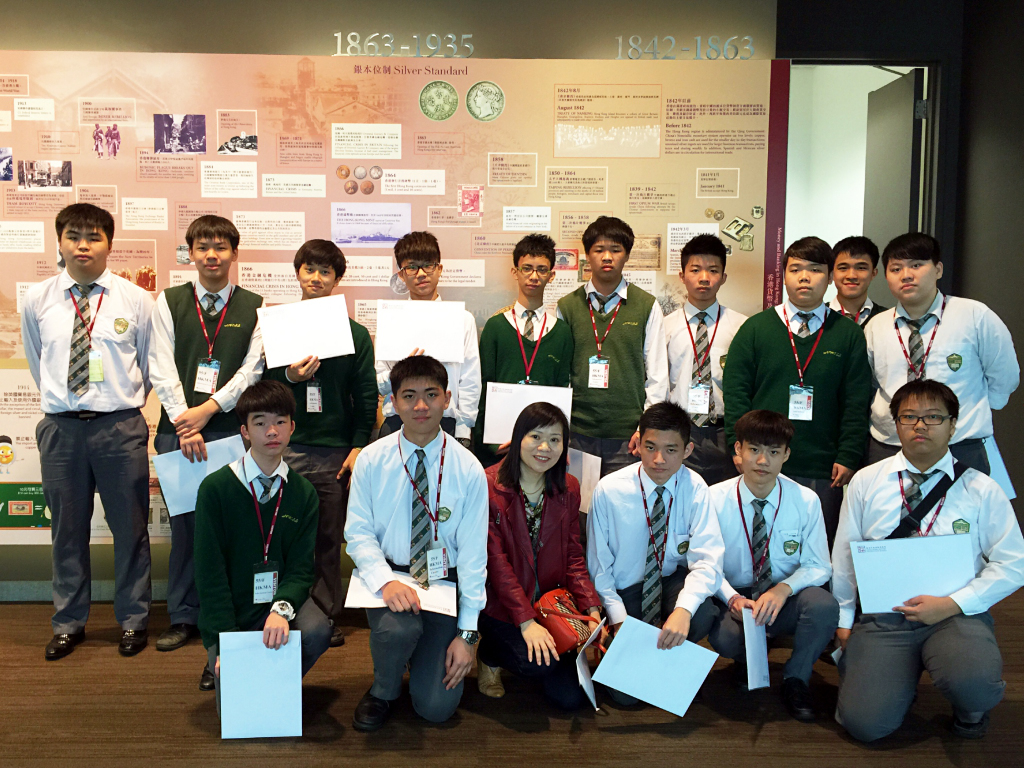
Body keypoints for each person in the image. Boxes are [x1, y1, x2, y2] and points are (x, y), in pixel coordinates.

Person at [832, 379, 1024, 742]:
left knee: (975, 684)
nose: (920, 425)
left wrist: (953, 603)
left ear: (953, 425)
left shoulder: (982, 488)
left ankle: (970, 708)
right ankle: (900, 682)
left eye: (933, 416)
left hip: (955, 614)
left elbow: (1014, 563)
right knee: (864, 724)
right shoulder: (866, 482)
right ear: (896, 424)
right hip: (885, 615)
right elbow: (845, 554)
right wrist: (843, 619)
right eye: (909, 417)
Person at [21, 203, 154, 660]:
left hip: (119, 427)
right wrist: (67, 401)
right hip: (61, 430)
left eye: (94, 236)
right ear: (59, 242)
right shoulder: (38, 299)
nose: (83, 245)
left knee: (130, 528)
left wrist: (117, 402)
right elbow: (38, 361)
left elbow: (146, 366)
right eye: (73, 236)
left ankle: (134, 619)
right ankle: (68, 622)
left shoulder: (135, 299)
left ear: (109, 244)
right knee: (67, 531)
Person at [148, 215, 264, 687]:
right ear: (190, 253)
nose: (211, 254)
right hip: (178, 433)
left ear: (234, 253)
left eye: (220, 246)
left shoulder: (254, 306)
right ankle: (183, 615)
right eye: (202, 246)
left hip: (231, 432)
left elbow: (253, 369)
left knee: (233, 530)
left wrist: (210, 409)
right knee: (185, 530)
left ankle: (229, 613)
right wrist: (185, 419)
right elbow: (160, 363)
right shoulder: (169, 301)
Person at [346, 355, 488, 729]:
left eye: (431, 394)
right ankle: (384, 688)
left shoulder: (468, 467)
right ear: (393, 402)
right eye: (409, 396)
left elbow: (474, 556)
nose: (421, 406)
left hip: (442, 582)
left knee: (437, 708)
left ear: (447, 399)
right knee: (398, 630)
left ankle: (420, 653)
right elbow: (358, 532)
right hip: (391, 574)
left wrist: (468, 634)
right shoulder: (371, 460)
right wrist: (384, 581)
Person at [263, 239, 378, 648]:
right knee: (281, 535)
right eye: (309, 269)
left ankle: (326, 614)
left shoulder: (355, 334)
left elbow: (366, 396)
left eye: (325, 271)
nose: (316, 278)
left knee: (329, 537)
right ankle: (281, 610)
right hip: (285, 448)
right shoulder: (277, 326)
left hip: (334, 451)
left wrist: (359, 445)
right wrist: (290, 378)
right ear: (298, 273)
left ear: (337, 279)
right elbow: (262, 388)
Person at [723, 236, 872, 548]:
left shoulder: (848, 334)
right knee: (756, 544)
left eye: (815, 270)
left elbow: (856, 401)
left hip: (823, 466)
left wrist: (848, 455)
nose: (805, 277)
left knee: (815, 548)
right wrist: (737, 448)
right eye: (795, 269)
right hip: (762, 461)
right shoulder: (755, 328)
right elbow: (736, 393)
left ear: (829, 278)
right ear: (783, 276)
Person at [194, 380, 332, 715]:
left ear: (292, 427)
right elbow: (210, 575)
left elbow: (301, 569)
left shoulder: (302, 493)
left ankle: (270, 681)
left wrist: (281, 610)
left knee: (316, 630)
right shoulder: (216, 489)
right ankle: (248, 674)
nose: (272, 431)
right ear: (244, 431)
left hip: (277, 600)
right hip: (233, 606)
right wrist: (224, 642)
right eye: (260, 423)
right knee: (235, 713)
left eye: (280, 421)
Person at [587, 401, 723, 705]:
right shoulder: (609, 490)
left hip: (669, 582)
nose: (659, 459)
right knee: (625, 699)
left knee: (702, 612)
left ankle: (663, 656)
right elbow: (598, 566)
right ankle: (658, 665)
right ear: (638, 444)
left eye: (671, 450)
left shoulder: (696, 488)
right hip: (626, 591)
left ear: (687, 450)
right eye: (650, 447)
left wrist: (683, 610)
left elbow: (709, 561)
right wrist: (618, 618)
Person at [707, 410, 837, 722]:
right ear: (738, 450)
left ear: (786, 455)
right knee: (725, 638)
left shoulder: (805, 500)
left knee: (823, 606)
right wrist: (731, 597)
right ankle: (746, 660)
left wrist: (783, 589)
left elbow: (820, 565)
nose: (763, 461)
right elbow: (705, 563)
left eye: (774, 452)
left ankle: (796, 677)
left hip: (784, 597)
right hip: (736, 597)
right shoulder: (713, 499)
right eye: (754, 450)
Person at [477, 403, 601, 708]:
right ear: (518, 438)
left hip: (550, 605)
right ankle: (489, 655)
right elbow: (496, 564)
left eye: (555, 440)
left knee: (570, 698)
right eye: (536, 437)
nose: (545, 448)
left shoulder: (568, 488)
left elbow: (573, 555)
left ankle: (540, 651)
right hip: (501, 608)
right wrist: (526, 622)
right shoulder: (488, 485)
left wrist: (590, 606)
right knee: (536, 664)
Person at [863, 233, 1018, 473]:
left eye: (916, 265)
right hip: (890, 446)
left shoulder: (974, 316)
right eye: (896, 269)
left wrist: (973, 417)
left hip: (959, 446)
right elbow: (871, 384)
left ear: (938, 269)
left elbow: (1004, 375)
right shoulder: (876, 326)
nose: (906, 275)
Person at [557, 216, 668, 477]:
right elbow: (561, 376)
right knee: (579, 501)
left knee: (623, 501)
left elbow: (657, 375)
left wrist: (646, 428)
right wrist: (560, 429)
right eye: (599, 250)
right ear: (587, 255)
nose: (607, 257)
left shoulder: (646, 305)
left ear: (627, 255)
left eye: (616, 250)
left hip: (628, 437)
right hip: (578, 433)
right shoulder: (567, 307)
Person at [474, 234, 573, 466]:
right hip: (498, 444)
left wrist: (559, 442)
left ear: (551, 275)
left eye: (542, 270)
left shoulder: (561, 332)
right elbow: (483, 387)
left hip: (543, 447)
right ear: (515, 272)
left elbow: (562, 390)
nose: (534, 276)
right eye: (527, 268)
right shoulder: (496, 326)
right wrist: (488, 443)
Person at [375, 231, 481, 449]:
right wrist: (401, 368)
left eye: (428, 265)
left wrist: (464, 429)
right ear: (401, 274)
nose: (421, 273)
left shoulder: (462, 319)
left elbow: (470, 380)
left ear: (439, 269)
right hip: (398, 422)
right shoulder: (390, 319)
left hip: (447, 423)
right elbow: (379, 383)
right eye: (412, 267)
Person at [664, 234, 747, 485]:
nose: (704, 278)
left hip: (724, 432)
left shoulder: (741, 326)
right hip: (678, 431)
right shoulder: (664, 327)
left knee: (723, 498)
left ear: (723, 277)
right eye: (695, 270)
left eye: (713, 270)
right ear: (682, 276)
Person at [829, 236, 888, 326]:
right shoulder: (816, 317)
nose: (851, 276)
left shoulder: (888, 319)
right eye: (843, 268)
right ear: (832, 273)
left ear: (873, 273)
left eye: (861, 268)